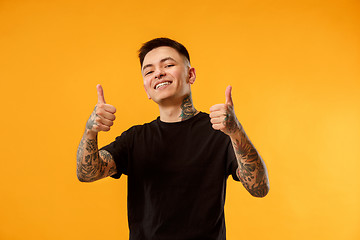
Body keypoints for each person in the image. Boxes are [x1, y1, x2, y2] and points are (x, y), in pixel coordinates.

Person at [76, 38, 270, 240]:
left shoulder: (220, 132)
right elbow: (87, 173)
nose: (158, 73)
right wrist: (91, 132)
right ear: (146, 89)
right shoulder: (135, 139)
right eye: (149, 71)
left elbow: (259, 188)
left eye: (168, 65)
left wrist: (236, 132)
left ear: (190, 74)